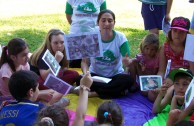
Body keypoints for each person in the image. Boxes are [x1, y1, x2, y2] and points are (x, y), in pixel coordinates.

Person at [79, 9, 133, 98]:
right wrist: (86, 74)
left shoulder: (121, 38)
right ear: (98, 23)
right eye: (103, 20)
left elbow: (128, 61)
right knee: (79, 79)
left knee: (128, 80)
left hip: (115, 76)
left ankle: (94, 93)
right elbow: (84, 62)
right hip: (95, 75)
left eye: (110, 21)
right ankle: (114, 92)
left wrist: (127, 63)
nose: (106, 23)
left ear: (114, 23)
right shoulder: (91, 37)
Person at [30, 29, 79, 104]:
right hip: (40, 80)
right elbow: (46, 77)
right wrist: (56, 61)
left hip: (53, 76)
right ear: (49, 43)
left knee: (74, 74)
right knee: (43, 83)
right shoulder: (43, 55)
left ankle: (63, 88)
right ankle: (68, 89)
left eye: (62, 42)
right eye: (55, 43)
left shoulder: (63, 51)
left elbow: (64, 68)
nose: (59, 46)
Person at [65, 0, 107, 68]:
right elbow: (68, 14)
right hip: (75, 35)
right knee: (74, 65)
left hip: (93, 36)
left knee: (92, 66)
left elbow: (104, 16)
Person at [157, 16, 194, 84]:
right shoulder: (164, 48)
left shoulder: (190, 47)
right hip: (169, 79)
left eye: (182, 32)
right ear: (170, 32)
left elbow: (192, 72)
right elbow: (161, 71)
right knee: (151, 94)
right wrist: (158, 82)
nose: (177, 34)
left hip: (185, 80)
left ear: (187, 34)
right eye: (175, 31)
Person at [126, 33, 159, 101]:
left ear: (156, 50)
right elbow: (133, 63)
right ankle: (133, 83)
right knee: (133, 62)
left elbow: (155, 73)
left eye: (152, 50)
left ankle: (143, 88)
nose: (149, 52)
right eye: (147, 48)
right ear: (143, 47)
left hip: (150, 79)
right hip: (141, 75)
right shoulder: (141, 56)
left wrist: (145, 70)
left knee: (144, 93)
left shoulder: (156, 59)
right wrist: (128, 65)